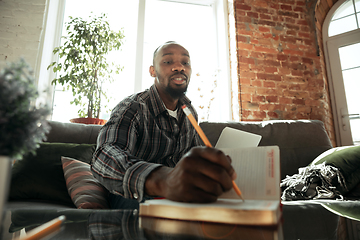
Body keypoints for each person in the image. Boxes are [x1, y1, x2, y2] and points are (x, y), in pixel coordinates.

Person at [91, 41, 236, 209]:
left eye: (185, 62)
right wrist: (162, 180)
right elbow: (103, 156)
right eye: (168, 62)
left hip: (178, 198)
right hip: (134, 198)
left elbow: (196, 156)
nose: (179, 67)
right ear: (153, 71)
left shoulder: (190, 112)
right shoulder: (133, 107)